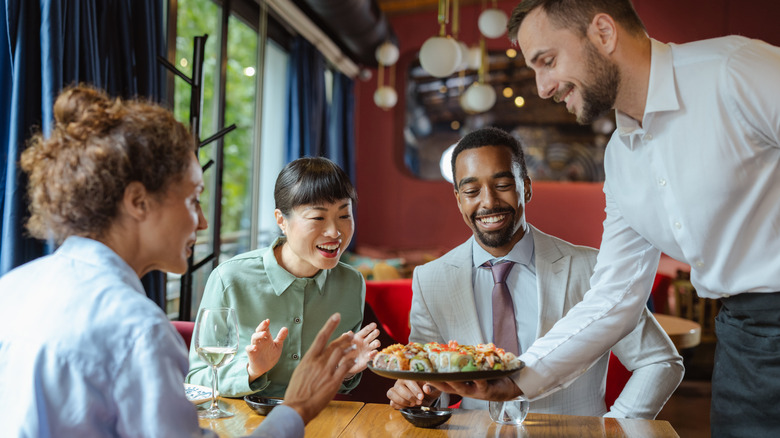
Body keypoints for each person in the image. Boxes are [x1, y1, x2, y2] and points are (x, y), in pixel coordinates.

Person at [434, 1, 780, 436]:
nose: (542, 87)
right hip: (743, 341)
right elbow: (614, 297)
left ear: (603, 32)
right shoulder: (620, 157)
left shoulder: (733, 72)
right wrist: (517, 380)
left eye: (547, 61)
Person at [0, 85, 360, 438]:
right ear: (138, 202)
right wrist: (296, 409)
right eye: (193, 199)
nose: (202, 222)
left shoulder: (13, 288)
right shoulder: (139, 331)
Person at [387, 127, 682, 418]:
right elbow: (428, 382)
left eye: (502, 185)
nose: (488, 202)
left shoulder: (592, 269)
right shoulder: (430, 280)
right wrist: (416, 395)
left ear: (526, 187)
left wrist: (615, 427)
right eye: (472, 191)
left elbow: (660, 361)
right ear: (458, 199)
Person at [187, 157, 380, 398]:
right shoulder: (230, 279)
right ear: (281, 221)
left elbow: (337, 388)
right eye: (318, 218)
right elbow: (197, 379)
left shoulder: (351, 284)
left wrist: (344, 371)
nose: (334, 232)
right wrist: (252, 369)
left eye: (344, 216)